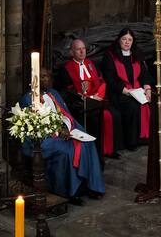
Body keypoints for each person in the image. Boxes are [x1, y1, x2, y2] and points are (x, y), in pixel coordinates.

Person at [21, 70, 105, 204]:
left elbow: (64, 113)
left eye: (47, 76)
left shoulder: (53, 93)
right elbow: (35, 124)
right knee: (68, 151)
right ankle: (70, 191)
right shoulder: (28, 98)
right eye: (42, 76)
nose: (46, 79)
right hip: (45, 137)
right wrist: (58, 130)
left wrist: (66, 127)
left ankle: (90, 185)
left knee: (87, 142)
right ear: (34, 80)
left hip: (64, 131)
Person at [59, 38, 123, 158]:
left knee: (115, 115)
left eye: (83, 49)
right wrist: (85, 96)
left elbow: (102, 81)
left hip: (97, 101)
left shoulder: (90, 63)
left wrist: (98, 96)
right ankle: (96, 152)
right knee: (95, 119)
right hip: (81, 106)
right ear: (72, 52)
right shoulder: (66, 69)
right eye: (78, 49)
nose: (82, 52)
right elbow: (68, 91)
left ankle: (109, 150)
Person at [102, 28, 152, 150]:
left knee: (151, 102)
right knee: (133, 106)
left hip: (136, 90)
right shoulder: (110, 56)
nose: (127, 42)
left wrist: (148, 89)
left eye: (130, 39)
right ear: (119, 40)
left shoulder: (136, 53)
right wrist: (127, 92)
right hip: (118, 93)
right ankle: (132, 141)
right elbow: (110, 80)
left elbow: (144, 74)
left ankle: (145, 138)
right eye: (124, 39)